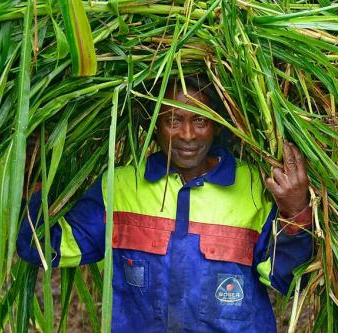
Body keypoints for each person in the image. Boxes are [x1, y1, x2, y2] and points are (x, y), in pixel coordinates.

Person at [17, 76, 314, 332]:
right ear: (154, 123)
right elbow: (41, 246)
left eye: (199, 119)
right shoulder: (122, 187)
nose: (187, 135)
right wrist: (34, 169)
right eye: (173, 119)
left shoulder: (252, 185)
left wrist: (296, 210)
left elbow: (288, 280)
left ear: (217, 124)